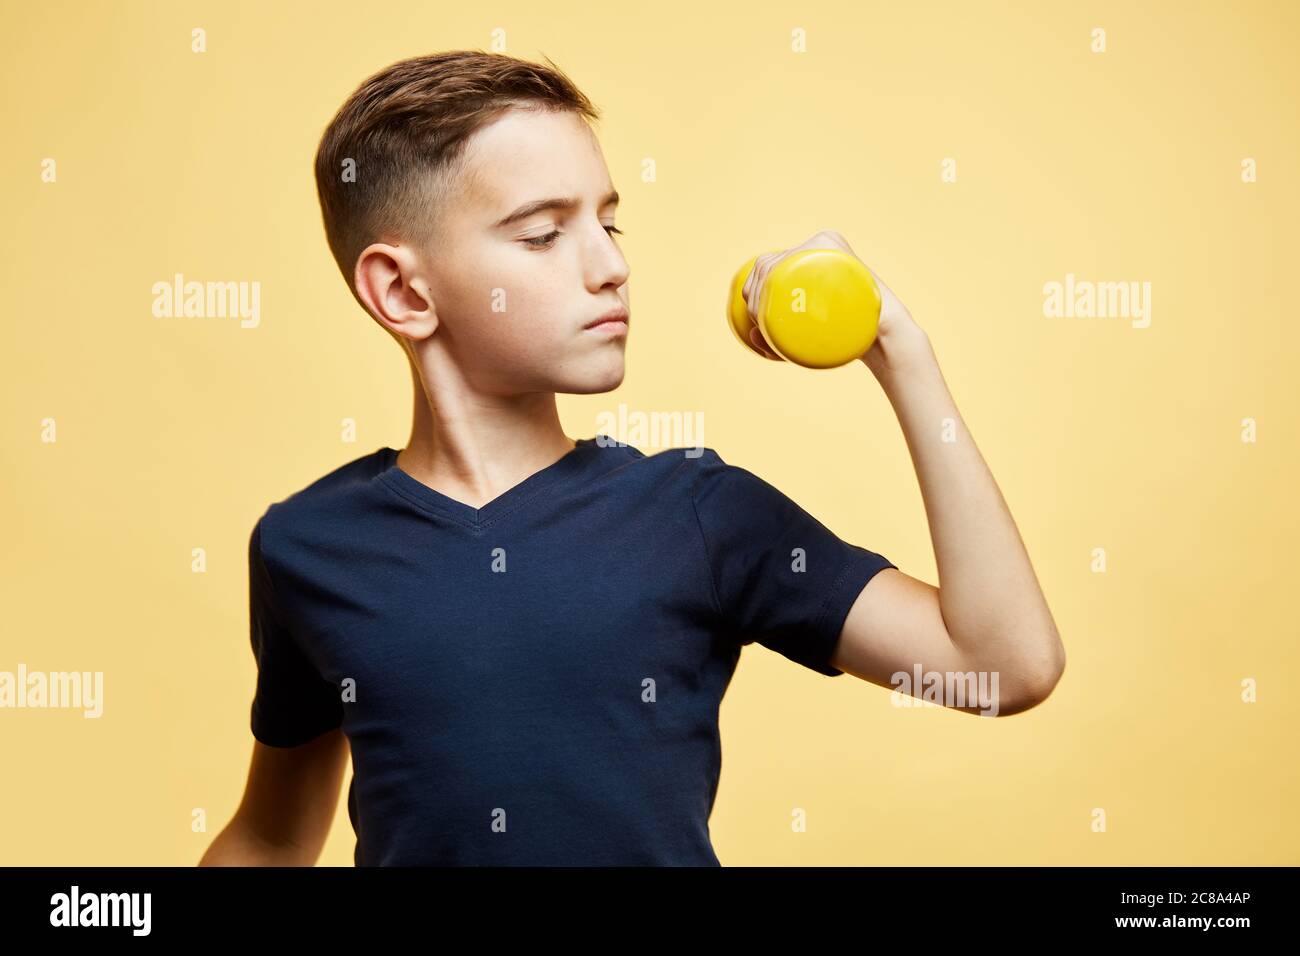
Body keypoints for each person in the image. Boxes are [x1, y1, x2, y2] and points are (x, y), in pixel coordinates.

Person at [199, 50, 1064, 867]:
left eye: (611, 224)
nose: (612, 267)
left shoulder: (699, 513)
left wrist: (899, 350)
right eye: (543, 235)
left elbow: (1001, 669)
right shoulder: (307, 546)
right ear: (403, 291)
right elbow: (272, 839)